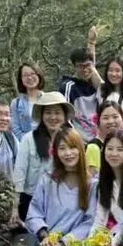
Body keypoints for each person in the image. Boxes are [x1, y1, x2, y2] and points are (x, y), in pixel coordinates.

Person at [25, 128, 98, 246]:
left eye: (72, 147)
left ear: (81, 149)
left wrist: (64, 243)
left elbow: (89, 222)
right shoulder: (47, 180)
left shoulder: (92, 184)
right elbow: (34, 213)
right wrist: (45, 237)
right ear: (56, 152)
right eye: (62, 148)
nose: (68, 153)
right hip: (45, 242)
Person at [13, 91, 74, 222]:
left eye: (57, 112)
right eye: (48, 112)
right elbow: (20, 172)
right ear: (41, 115)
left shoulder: (72, 139)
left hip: (62, 201)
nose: (53, 117)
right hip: (31, 200)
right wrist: (15, 206)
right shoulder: (29, 139)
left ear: (64, 115)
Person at [60, 47, 103, 142]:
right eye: (80, 66)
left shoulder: (96, 85)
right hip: (79, 141)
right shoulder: (68, 87)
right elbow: (65, 119)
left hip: (99, 140)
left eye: (87, 65)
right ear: (74, 67)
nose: (85, 69)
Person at [86, 101, 123, 176]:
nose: (111, 121)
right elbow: (92, 179)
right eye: (106, 118)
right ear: (98, 121)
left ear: (122, 117)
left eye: (115, 117)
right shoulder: (93, 147)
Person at [10, 63, 45, 140]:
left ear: (39, 75)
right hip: (26, 143)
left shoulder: (48, 99)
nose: (29, 77)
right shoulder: (16, 103)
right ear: (21, 79)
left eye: (33, 74)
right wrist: (30, 142)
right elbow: (15, 129)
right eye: (25, 75)